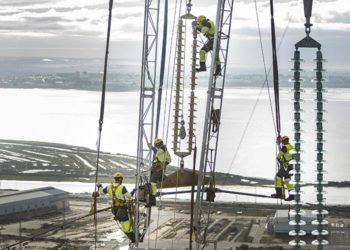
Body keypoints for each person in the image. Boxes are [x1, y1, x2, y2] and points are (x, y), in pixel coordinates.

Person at [94, 172, 136, 242]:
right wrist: (133, 191)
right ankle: (134, 239)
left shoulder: (108, 187)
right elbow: (129, 197)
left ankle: (133, 238)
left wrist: (99, 186)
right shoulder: (122, 187)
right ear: (120, 179)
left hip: (115, 210)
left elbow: (100, 193)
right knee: (127, 227)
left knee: (123, 226)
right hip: (122, 210)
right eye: (121, 179)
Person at [148, 138, 172, 206]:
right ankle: (152, 199)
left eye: (158, 145)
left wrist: (152, 147)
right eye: (156, 145)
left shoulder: (162, 149)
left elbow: (157, 152)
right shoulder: (163, 150)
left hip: (159, 168)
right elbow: (168, 159)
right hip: (157, 167)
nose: (157, 146)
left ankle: (152, 199)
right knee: (152, 183)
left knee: (152, 183)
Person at [271, 135, 295, 201]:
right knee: (288, 180)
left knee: (277, 178)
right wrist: (279, 143)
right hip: (291, 166)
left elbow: (279, 156)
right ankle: (292, 196)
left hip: (286, 166)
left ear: (283, 141)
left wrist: (280, 160)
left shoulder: (285, 147)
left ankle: (279, 194)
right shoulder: (291, 146)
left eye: (282, 141)